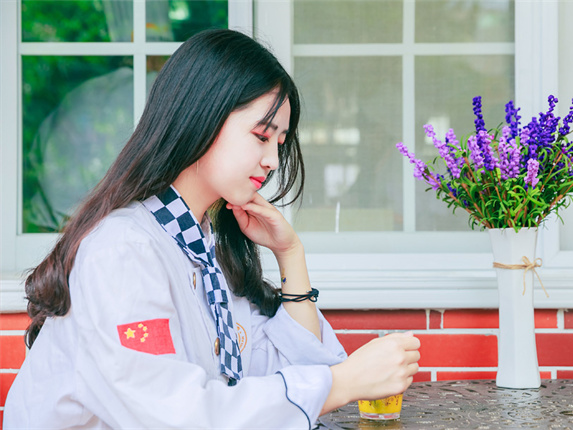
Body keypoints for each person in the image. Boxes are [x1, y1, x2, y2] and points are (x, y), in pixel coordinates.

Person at [4, 29, 420, 429]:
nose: (273, 161)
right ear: (201, 118)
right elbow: (173, 415)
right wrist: (344, 381)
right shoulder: (122, 249)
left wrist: (290, 255)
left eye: (279, 143)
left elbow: (287, 369)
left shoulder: (205, 248)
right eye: (261, 136)